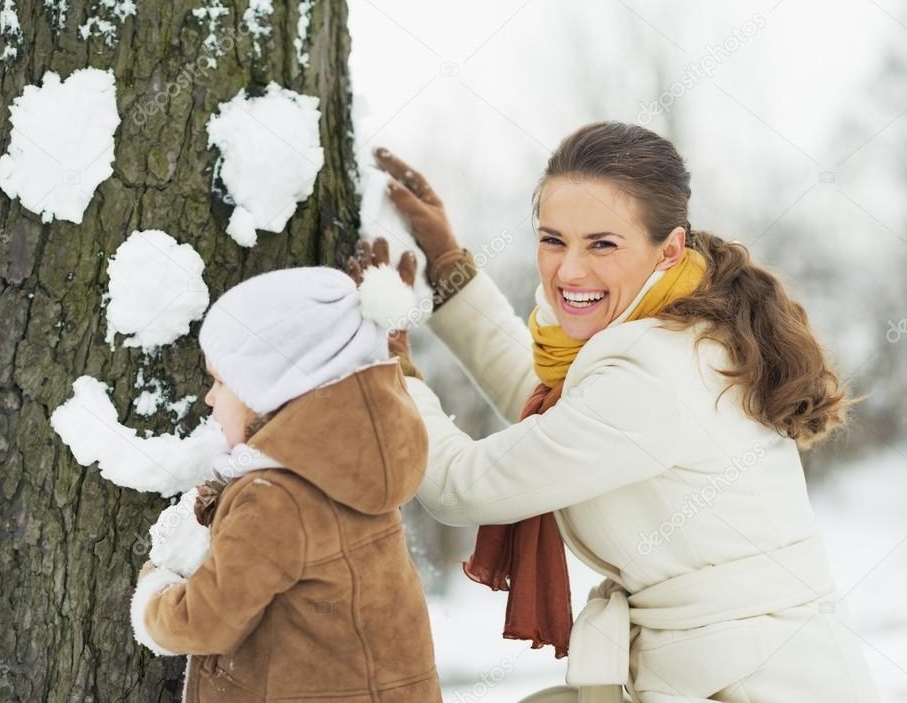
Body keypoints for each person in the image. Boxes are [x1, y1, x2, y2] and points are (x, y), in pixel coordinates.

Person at [359, 121, 881, 702]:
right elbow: (552, 415)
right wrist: (451, 268)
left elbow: (463, 488)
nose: (569, 271)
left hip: (756, 683)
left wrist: (388, 370)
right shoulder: (668, 330)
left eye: (601, 244)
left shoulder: (659, 368)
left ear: (670, 248)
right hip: (708, 674)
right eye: (553, 240)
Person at [129, 264, 442, 702]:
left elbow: (206, 620)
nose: (210, 398)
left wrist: (153, 597)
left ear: (271, 392)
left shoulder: (275, 501)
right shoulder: (350, 471)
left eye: (221, 381)